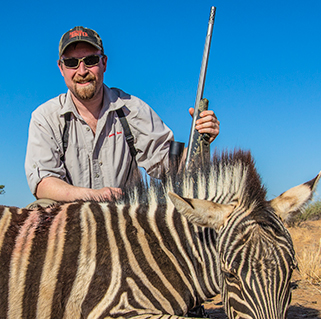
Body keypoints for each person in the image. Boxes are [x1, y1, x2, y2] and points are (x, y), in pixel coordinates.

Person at [25, 26, 220, 207]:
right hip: (69, 220)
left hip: (121, 220)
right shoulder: (45, 117)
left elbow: (171, 165)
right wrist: (95, 196)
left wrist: (201, 140)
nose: (82, 71)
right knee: (38, 208)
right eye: (72, 63)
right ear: (61, 68)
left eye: (91, 61)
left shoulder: (132, 109)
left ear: (104, 63)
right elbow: (43, 184)